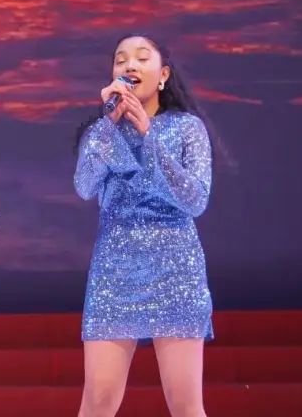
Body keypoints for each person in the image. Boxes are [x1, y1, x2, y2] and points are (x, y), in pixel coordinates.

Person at [73, 34, 214, 417]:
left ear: (163, 74)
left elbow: (194, 200)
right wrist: (108, 125)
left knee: (185, 404)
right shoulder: (102, 132)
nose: (129, 66)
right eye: (120, 60)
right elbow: (84, 185)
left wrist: (148, 136)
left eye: (140, 58)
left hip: (175, 271)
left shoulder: (187, 128)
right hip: (114, 273)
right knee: (98, 400)